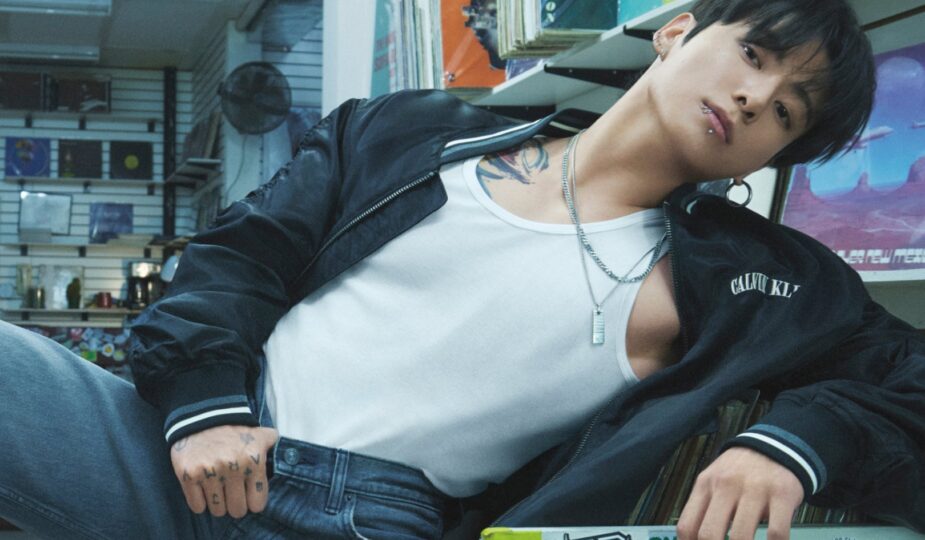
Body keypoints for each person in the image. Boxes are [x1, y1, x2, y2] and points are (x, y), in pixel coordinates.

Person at [1, 0, 923, 538]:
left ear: (771, 156)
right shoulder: (404, 132)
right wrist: (205, 404)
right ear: (675, 33)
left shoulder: (757, 279)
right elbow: (238, 260)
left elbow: (906, 377)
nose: (754, 96)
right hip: (193, 442)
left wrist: (793, 442)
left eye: (787, 112)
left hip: (362, 517)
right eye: (753, 55)